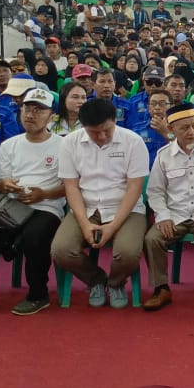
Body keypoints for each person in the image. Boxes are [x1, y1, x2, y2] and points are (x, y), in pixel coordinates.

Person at [50, 99, 149, 310]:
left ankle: (115, 283)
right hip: (86, 206)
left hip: (126, 208)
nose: (102, 136)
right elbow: (72, 187)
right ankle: (96, 279)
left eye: (107, 130)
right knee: (61, 250)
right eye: (95, 132)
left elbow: (134, 188)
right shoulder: (70, 143)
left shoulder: (133, 141)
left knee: (129, 253)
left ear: (115, 121)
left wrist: (112, 226)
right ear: (83, 127)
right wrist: (85, 224)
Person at [142, 103, 194, 311]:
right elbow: (155, 191)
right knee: (152, 239)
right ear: (171, 130)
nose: (192, 132)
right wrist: (162, 216)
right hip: (176, 215)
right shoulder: (164, 155)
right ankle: (161, 289)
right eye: (184, 128)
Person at [0, 89, 62, 316]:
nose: (31, 114)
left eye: (39, 110)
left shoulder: (64, 145)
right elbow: (0, 182)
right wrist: (5, 185)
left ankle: (38, 294)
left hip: (46, 206)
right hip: (10, 207)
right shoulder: (10, 145)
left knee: (34, 236)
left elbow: (70, 186)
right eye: (27, 108)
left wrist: (44, 194)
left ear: (52, 117)